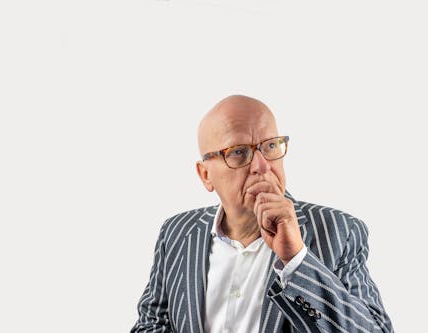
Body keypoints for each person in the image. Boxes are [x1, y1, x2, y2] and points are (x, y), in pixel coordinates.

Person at [130, 95, 393, 333]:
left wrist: (296, 260)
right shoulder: (177, 232)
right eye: (238, 152)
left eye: (270, 146)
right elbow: (152, 324)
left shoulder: (338, 231)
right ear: (205, 175)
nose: (261, 166)